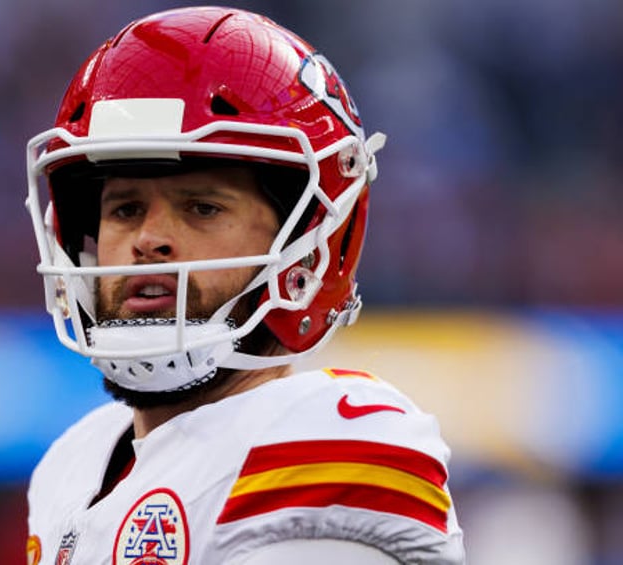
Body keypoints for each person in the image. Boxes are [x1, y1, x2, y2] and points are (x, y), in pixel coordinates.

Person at [24, 6, 464, 564]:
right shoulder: (72, 465)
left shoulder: (321, 446)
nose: (149, 239)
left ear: (304, 245)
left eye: (202, 207)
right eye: (126, 208)